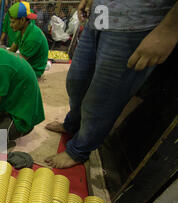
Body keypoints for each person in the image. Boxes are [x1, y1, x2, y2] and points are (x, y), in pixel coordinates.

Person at [45, 0, 178, 169]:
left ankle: (79, 149)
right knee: (76, 82)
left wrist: (170, 29)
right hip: (100, 16)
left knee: (101, 98)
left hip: (135, 24)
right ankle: (72, 124)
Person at [8, 1, 48, 78]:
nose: (10, 25)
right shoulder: (21, 31)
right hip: (26, 64)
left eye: (13, 22)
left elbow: (19, 62)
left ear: (22, 20)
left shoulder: (33, 37)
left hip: (34, 70)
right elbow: (11, 50)